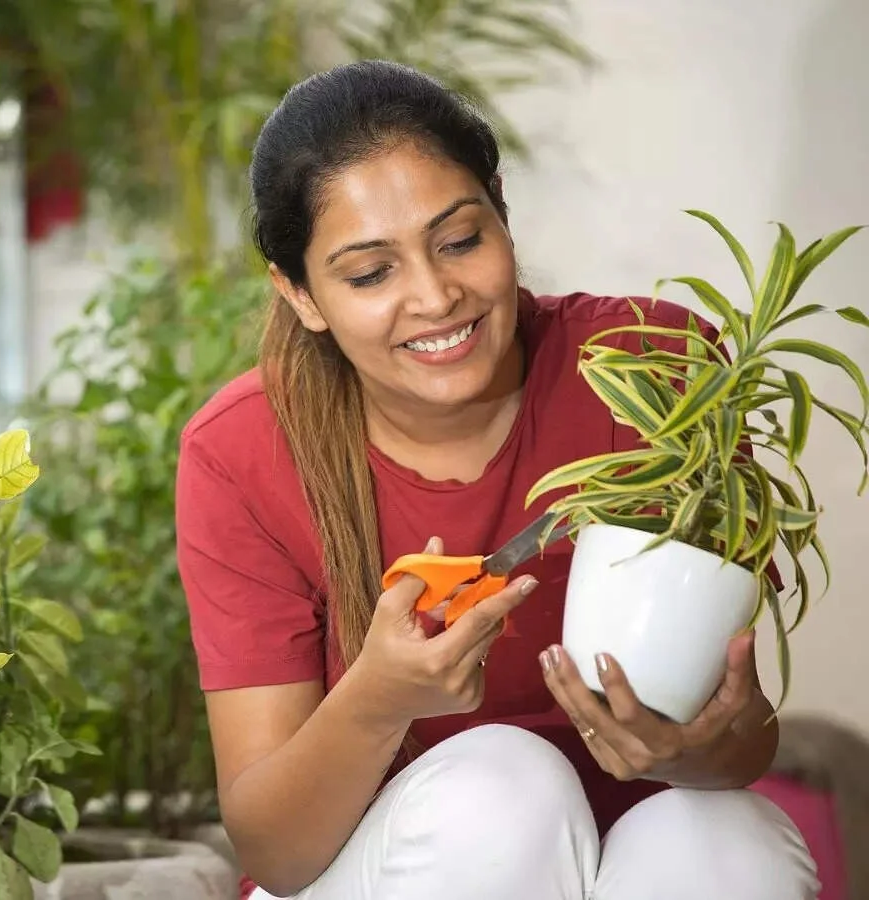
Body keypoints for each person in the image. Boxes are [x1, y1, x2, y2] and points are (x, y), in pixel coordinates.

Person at [174, 59, 819, 900]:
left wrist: (689, 746)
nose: (437, 296)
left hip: (624, 860)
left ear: (502, 214)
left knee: (734, 841)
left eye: (460, 241)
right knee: (500, 792)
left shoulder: (650, 371)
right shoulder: (243, 450)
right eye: (371, 274)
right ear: (300, 294)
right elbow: (280, 851)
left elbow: (746, 736)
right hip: (370, 869)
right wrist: (377, 700)